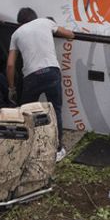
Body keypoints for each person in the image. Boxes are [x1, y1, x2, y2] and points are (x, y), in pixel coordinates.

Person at [7, 8, 75, 151]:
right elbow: (70, 34)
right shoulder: (45, 22)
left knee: (26, 111)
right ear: (35, 16)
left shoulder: (16, 34)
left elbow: (10, 65)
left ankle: (25, 147)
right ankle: (57, 148)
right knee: (55, 110)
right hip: (51, 72)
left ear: (20, 23)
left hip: (32, 76)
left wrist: (12, 88)